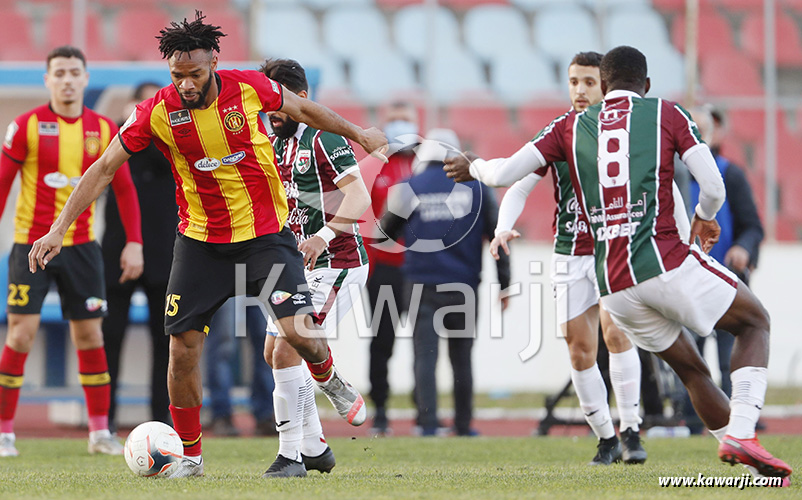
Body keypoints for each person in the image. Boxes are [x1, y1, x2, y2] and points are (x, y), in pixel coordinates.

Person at [27, 12, 387, 479]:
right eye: (178, 76)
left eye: (195, 75)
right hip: (199, 242)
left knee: (297, 333)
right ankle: (191, 458)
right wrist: (59, 227)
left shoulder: (250, 87)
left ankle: (330, 379)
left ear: (213, 62)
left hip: (264, 236)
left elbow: (303, 109)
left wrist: (360, 134)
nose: (186, 84)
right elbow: (104, 167)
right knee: (182, 350)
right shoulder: (157, 110)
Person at [446, 46, 792, 481]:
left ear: (604, 87)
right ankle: (740, 430)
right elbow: (714, 187)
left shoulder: (569, 126)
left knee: (690, 369)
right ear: (646, 86)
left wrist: (472, 165)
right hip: (662, 261)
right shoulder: (666, 113)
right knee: (754, 321)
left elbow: (504, 174)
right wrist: (704, 219)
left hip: (615, 283)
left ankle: (753, 470)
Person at [489, 52, 648, 465]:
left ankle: (632, 430)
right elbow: (520, 185)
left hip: (615, 248)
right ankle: (606, 438)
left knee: (616, 334)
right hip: (570, 252)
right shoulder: (561, 131)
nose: (579, 90)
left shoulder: (632, 127)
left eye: (589, 82)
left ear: (607, 86)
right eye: (573, 81)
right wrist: (503, 225)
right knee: (579, 348)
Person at [0, 46, 143, 457]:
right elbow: (4, 184)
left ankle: (100, 433)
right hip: (30, 245)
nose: (66, 79)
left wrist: (134, 241)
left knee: (89, 335)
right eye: (58, 72)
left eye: (73, 72)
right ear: (47, 80)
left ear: (85, 78)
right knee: (20, 334)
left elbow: (125, 190)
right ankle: (6, 432)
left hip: (82, 247)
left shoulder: (102, 128)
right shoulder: (25, 126)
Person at [259, 58, 371, 477]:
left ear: (301, 99)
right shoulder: (277, 142)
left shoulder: (323, 138)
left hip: (338, 261)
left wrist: (322, 236)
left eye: (278, 102)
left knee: (289, 347)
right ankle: (314, 444)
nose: (270, 111)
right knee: (273, 352)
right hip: (299, 264)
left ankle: (291, 457)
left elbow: (359, 198)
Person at [381, 128, 510, 437]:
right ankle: (464, 424)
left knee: (424, 356)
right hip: (464, 285)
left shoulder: (408, 186)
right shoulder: (478, 188)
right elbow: (498, 236)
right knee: (462, 358)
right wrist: (505, 283)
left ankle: (426, 423)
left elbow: (387, 229)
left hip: (420, 284)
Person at [101, 81, 173, 432]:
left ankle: (162, 418)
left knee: (166, 341)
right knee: (109, 336)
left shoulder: (171, 139)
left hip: (165, 252)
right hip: (117, 251)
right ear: (130, 104)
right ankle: (104, 419)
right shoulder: (114, 136)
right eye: (139, 104)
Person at [366, 100, 418, 436]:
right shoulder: (375, 167)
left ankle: (423, 409)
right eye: (394, 119)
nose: (400, 125)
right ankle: (381, 409)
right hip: (382, 267)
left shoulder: (423, 165)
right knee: (382, 340)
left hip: (417, 267)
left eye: (405, 119)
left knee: (424, 340)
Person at [204, 298, 275, 437]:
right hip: (226, 278)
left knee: (267, 341)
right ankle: (221, 415)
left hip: (259, 278)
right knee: (223, 344)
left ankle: (265, 415)